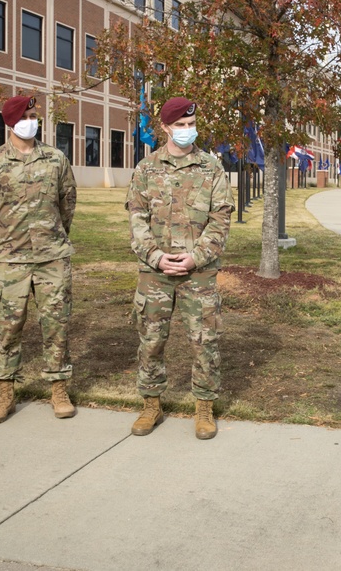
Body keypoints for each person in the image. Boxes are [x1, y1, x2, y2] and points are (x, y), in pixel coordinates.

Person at [126, 97, 235, 440]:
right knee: (151, 340)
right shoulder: (146, 169)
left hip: (198, 272)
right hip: (155, 272)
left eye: (192, 125)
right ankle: (151, 404)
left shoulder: (211, 168)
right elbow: (136, 219)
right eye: (181, 126)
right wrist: (155, 256)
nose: (188, 131)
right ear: (166, 128)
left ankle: (204, 408)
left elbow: (221, 220)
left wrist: (196, 257)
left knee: (204, 341)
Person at [0, 95, 78, 423]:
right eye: (27, 115)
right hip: (9, 261)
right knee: (7, 328)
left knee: (56, 325)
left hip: (52, 258)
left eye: (35, 114)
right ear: (11, 122)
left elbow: (67, 202)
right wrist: (4, 241)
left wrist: (53, 235)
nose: (33, 119)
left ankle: (58, 389)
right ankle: (5, 394)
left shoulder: (56, 158)